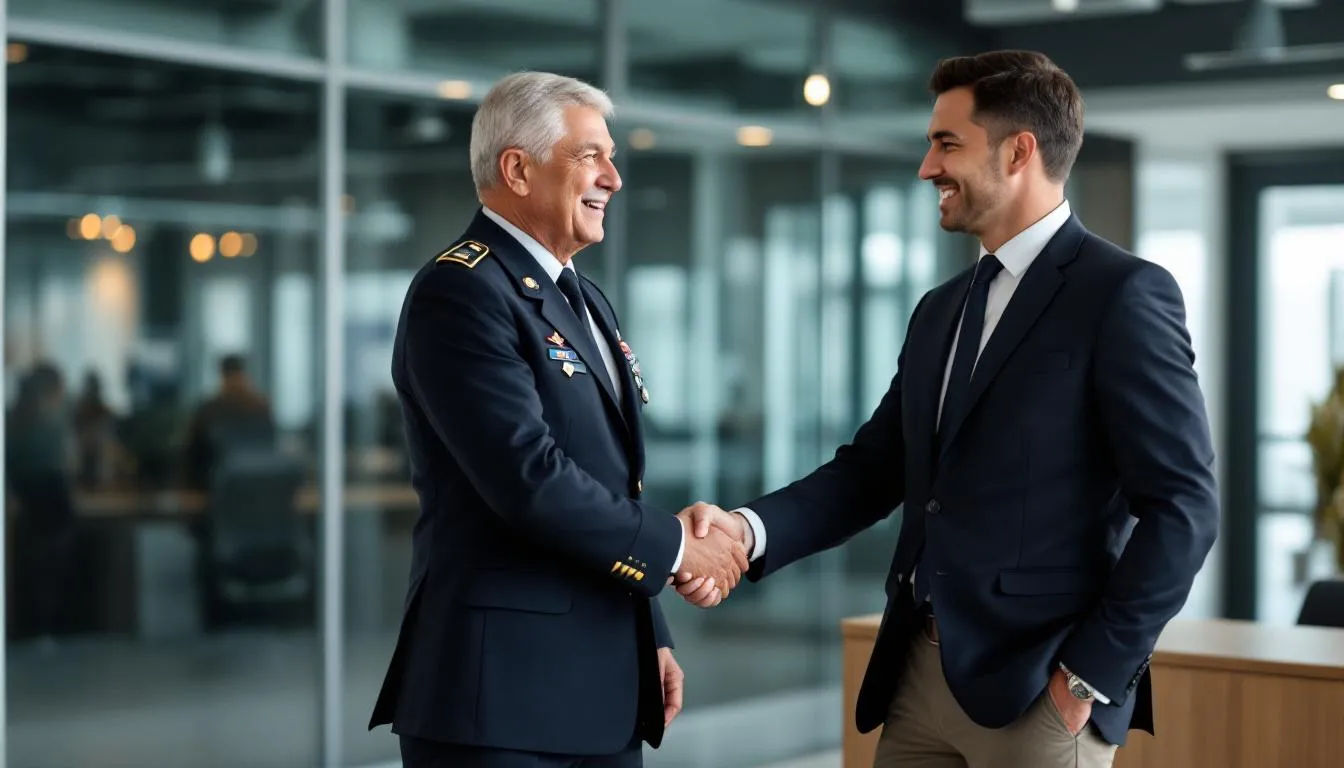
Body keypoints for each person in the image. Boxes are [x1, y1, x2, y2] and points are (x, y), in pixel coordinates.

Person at [677, 51, 1219, 768]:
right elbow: (875, 469)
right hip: (917, 679)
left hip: (1040, 693)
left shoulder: (1121, 295)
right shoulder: (941, 309)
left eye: (946, 143)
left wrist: (1087, 677)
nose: (926, 167)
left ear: (1019, 151)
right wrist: (748, 532)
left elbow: (1185, 505)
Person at [367, 71, 749, 768]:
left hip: (599, 685)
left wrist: (650, 629)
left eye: (611, 156)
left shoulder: (585, 299)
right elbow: (529, 478)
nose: (614, 177)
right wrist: (675, 550)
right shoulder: (460, 290)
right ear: (517, 169)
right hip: (499, 702)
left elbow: (611, 482)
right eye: (589, 156)